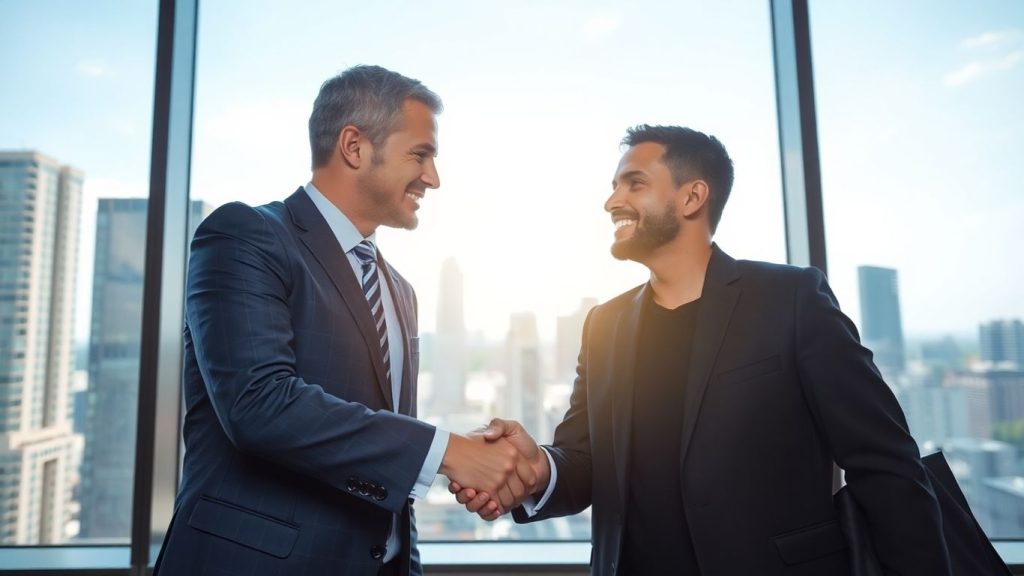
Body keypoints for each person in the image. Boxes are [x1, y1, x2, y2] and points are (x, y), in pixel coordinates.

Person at [451, 125, 952, 575]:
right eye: (613, 186)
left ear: (692, 197)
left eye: (634, 183)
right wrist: (538, 466)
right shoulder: (604, 325)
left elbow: (886, 465)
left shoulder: (791, 300)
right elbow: (585, 462)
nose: (612, 202)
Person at [155, 65, 537, 576]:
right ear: (354, 146)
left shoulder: (400, 291)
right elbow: (259, 404)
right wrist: (448, 452)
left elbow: (382, 456)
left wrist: (413, 545)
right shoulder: (245, 235)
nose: (433, 178)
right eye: (420, 155)